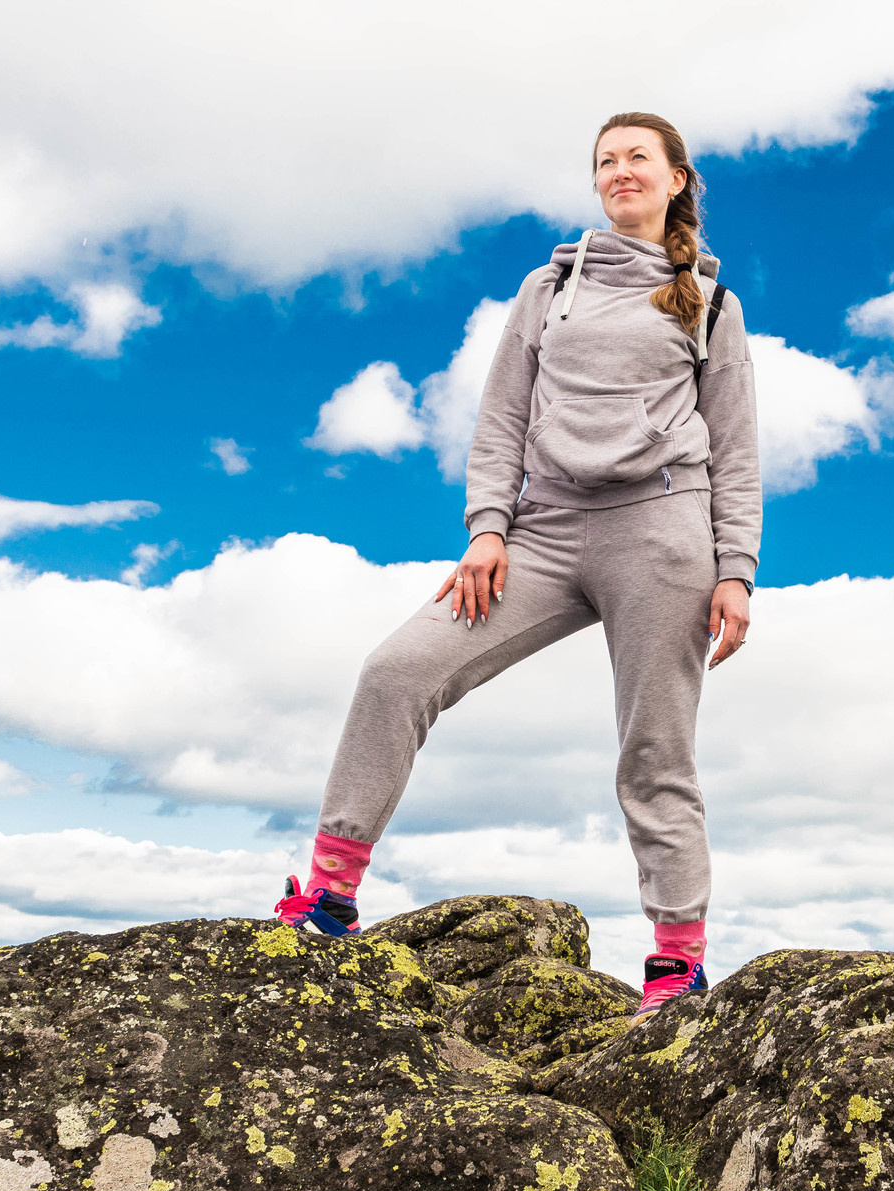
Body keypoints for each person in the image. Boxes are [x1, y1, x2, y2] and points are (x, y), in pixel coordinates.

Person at [274, 113, 760, 1018]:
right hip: (538, 532)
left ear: (677, 180)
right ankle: (330, 894)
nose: (620, 173)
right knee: (397, 671)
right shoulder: (550, 288)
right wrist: (487, 528)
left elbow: (735, 449)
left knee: (655, 748)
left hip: (661, 535)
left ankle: (676, 959)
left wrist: (736, 567)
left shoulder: (712, 305)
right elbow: (501, 416)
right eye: (605, 162)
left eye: (637, 160)